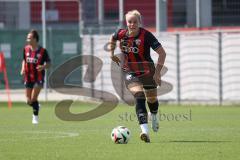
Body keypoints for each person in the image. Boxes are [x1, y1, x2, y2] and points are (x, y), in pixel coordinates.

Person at [109, 10, 166, 142]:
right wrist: (111, 54)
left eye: (135, 22)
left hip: (147, 71)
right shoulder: (121, 34)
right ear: (126, 22)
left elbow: (162, 54)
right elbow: (112, 37)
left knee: (151, 100)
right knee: (139, 96)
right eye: (129, 22)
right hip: (129, 71)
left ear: (139, 22)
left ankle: (155, 115)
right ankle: (144, 132)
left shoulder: (146, 35)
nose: (132, 24)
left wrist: (157, 73)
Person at [20, 29, 51, 124]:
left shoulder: (43, 51)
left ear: (34, 39)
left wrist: (43, 66)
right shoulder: (25, 49)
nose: (27, 39)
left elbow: (49, 63)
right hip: (28, 77)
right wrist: (22, 69)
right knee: (29, 101)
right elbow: (24, 60)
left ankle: (35, 117)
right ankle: (36, 105)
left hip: (39, 78)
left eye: (29, 38)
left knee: (33, 98)